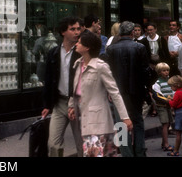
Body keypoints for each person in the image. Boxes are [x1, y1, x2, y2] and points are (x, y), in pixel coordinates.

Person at [68, 31, 132, 157]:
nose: (76, 44)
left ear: (87, 48)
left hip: (98, 120)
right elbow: (75, 90)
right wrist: (71, 106)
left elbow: (115, 93)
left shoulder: (100, 67)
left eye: (79, 42)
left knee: (93, 154)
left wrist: (125, 118)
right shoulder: (78, 64)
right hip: (83, 118)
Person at [104, 21, 151, 157]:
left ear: (119, 33)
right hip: (136, 91)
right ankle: (139, 151)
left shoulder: (111, 49)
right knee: (137, 121)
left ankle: (127, 153)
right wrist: (147, 89)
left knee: (121, 124)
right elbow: (145, 71)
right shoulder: (139, 47)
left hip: (118, 92)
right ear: (132, 33)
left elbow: (109, 72)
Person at [41, 16, 83, 157]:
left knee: (82, 144)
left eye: (78, 29)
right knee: (53, 143)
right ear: (63, 32)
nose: (77, 32)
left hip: (78, 103)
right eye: (72, 29)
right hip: (59, 103)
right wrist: (47, 105)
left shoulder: (81, 52)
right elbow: (48, 79)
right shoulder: (53, 52)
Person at [167, 75, 182, 156]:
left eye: (171, 86)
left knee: (178, 134)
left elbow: (174, 104)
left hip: (179, 114)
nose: (171, 88)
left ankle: (175, 151)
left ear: (176, 85)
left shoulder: (177, 93)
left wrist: (169, 101)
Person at [151, 62, 174, 152]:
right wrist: (166, 100)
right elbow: (156, 95)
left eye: (167, 70)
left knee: (168, 124)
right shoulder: (157, 83)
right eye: (164, 71)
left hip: (169, 105)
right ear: (159, 72)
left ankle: (163, 142)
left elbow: (173, 90)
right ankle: (166, 144)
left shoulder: (170, 81)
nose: (166, 72)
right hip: (162, 106)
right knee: (165, 124)